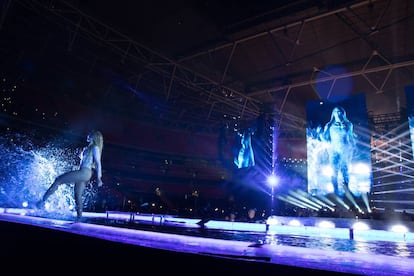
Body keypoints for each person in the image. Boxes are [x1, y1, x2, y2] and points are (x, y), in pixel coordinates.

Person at [36, 130, 104, 221]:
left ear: (94, 137)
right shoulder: (88, 148)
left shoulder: (94, 148)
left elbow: (98, 163)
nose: (87, 135)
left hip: (85, 172)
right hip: (84, 172)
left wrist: (99, 178)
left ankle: (41, 202)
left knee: (58, 180)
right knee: (77, 195)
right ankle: (79, 217)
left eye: (90, 134)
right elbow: (86, 163)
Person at [319, 106, 356, 195]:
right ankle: (335, 190)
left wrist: (353, 146)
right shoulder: (329, 125)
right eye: (336, 112)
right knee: (334, 171)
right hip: (334, 151)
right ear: (333, 113)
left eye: (339, 112)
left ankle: (347, 190)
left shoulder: (349, 124)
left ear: (343, 113)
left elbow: (350, 137)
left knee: (345, 171)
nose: (338, 114)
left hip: (345, 150)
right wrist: (323, 138)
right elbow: (324, 137)